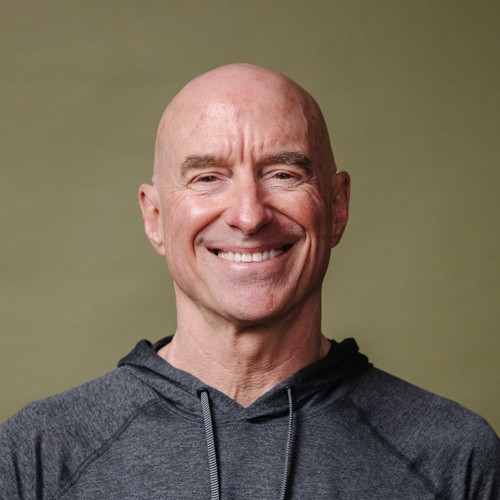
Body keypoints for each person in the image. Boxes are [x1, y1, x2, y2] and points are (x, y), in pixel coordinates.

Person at [0, 64, 498, 499]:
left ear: (337, 206)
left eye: (283, 174)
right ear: (154, 218)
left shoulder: (456, 457)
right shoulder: (37, 455)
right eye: (207, 178)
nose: (248, 214)